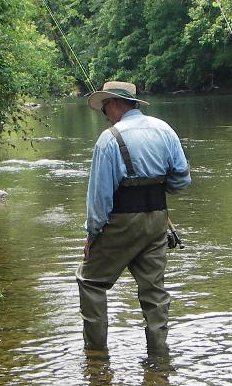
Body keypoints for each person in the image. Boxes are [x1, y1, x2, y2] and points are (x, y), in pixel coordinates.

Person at [76, 81, 191, 356]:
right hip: (157, 220)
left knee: (90, 282)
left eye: (105, 107)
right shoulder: (165, 130)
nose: (105, 114)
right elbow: (182, 180)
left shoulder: (109, 139)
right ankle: (159, 356)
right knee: (153, 292)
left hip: (122, 222)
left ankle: (96, 357)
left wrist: (92, 235)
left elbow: (100, 198)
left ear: (115, 104)